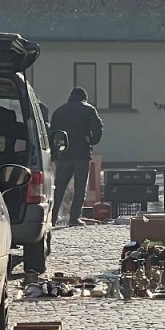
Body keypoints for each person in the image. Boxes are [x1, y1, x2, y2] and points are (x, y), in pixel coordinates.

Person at [48, 87, 104, 227]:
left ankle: (52, 218)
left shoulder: (59, 111)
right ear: (84, 98)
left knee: (59, 188)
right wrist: (92, 140)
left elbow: (52, 134)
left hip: (64, 155)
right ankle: (74, 218)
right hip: (81, 154)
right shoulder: (89, 109)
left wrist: (54, 154)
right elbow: (99, 126)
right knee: (80, 188)